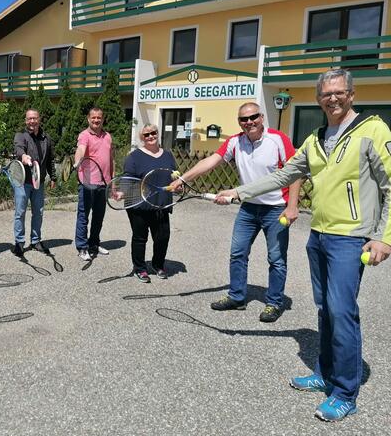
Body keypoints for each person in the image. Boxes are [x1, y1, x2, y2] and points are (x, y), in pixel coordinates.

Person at [217, 69, 391, 422]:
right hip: (320, 236)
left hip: (351, 238)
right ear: (318, 99)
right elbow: (284, 174)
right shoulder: (316, 138)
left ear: (352, 94)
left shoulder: (373, 130)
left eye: (339, 92)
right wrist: (238, 192)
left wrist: (383, 236)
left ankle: (344, 391)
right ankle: (325, 373)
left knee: (342, 312)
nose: (333, 98)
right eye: (326, 94)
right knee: (326, 310)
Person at [170, 102, 301, 323]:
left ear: (261, 117)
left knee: (276, 259)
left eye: (253, 117)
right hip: (248, 207)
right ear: (239, 122)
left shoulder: (278, 139)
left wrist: (293, 206)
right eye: (244, 119)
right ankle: (237, 296)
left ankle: (274, 302)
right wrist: (183, 179)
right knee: (238, 253)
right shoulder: (235, 142)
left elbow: (295, 172)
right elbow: (210, 162)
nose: (249, 122)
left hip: (276, 208)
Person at [122, 124, 176, 282]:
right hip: (139, 205)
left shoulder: (168, 155)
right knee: (140, 238)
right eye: (146, 135)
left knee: (162, 237)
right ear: (142, 138)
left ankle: (158, 264)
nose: (151, 136)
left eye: (153, 133)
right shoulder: (134, 156)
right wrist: (121, 192)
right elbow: (127, 178)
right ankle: (139, 268)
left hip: (161, 204)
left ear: (158, 134)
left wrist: (176, 184)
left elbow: (173, 175)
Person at [11, 108, 56, 257]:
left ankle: (36, 241)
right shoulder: (21, 136)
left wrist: (53, 177)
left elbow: (50, 160)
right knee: (20, 212)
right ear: (26, 120)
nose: (32, 121)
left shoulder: (46, 138)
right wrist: (23, 156)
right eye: (29, 118)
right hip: (23, 182)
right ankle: (19, 242)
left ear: (39, 119)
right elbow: (18, 148)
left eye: (35, 118)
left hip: (39, 182)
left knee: (39, 213)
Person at [74, 107, 114, 261]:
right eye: (93, 118)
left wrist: (112, 182)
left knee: (99, 216)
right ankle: (82, 247)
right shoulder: (84, 135)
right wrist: (78, 162)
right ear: (88, 119)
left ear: (102, 119)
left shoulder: (108, 136)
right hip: (87, 183)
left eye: (99, 118)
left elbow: (111, 160)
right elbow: (81, 149)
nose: (96, 120)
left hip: (103, 184)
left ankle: (94, 244)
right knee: (83, 216)